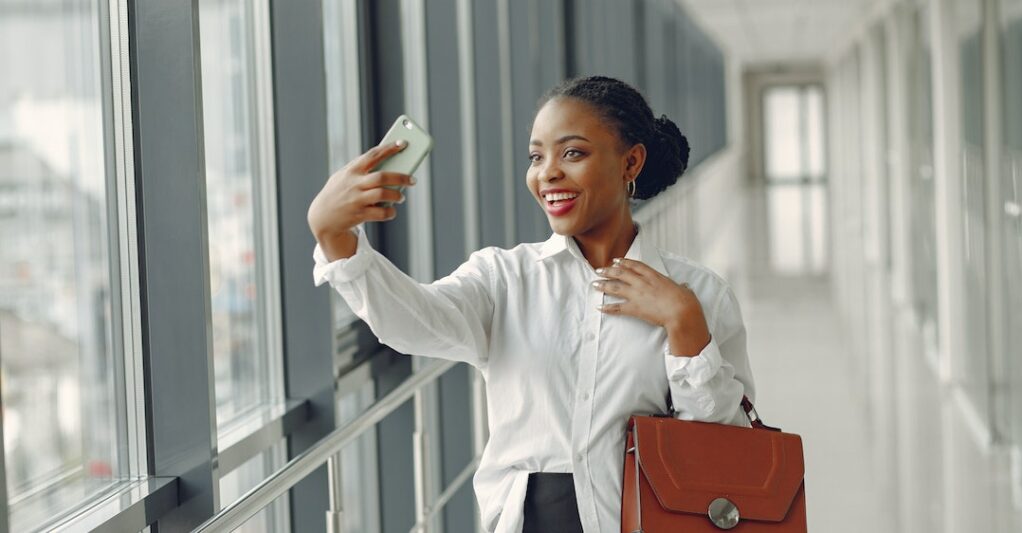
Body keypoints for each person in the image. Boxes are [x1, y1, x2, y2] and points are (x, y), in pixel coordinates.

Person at [307, 75, 755, 533]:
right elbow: (414, 323)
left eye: (573, 153)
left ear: (630, 162)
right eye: (536, 157)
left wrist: (684, 327)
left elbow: (726, 448)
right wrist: (337, 241)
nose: (548, 173)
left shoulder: (698, 295)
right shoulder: (503, 279)